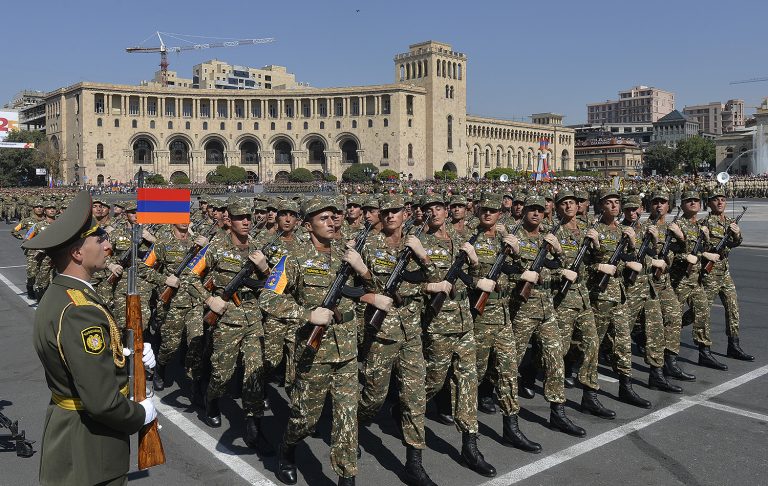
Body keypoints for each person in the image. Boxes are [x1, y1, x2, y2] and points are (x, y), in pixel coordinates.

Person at [26, 191, 157, 486]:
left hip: (75, 440)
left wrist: (127, 353)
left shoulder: (66, 295)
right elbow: (102, 402)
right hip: (89, 450)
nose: (108, 245)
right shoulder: (79, 311)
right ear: (77, 253)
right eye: (99, 240)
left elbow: (83, 362)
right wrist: (139, 414)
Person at [261, 196, 369, 486]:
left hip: (346, 352)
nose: (332, 222)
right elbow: (268, 298)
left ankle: (347, 478)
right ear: (307, 225)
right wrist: (306, 314)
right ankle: (287, 448)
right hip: (313, 351)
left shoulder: (347, 255)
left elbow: (375, 293)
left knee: (347, 420)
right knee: (305, 419)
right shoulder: (293, 256)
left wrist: (362, 270)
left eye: (334, 217)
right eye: (323, 218)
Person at [698, 187, 754, 363]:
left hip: (725, 272)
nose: (720, 202)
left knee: (732, 308)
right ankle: (704, 350)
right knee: (702, 312)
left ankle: (733, 345)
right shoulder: (704, 223)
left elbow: (735, 243)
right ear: (709, 203)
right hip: (709, 273)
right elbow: (697, 248)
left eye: (722, 199)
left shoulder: (730, 221)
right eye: (716, 199)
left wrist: (737, 234)